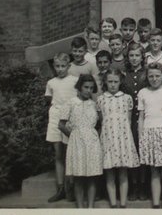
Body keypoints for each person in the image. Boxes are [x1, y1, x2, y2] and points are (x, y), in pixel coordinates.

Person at [96, 68, 140, 208]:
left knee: (123, 173)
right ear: (105, 82)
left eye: (115, 81)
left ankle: (122, 203)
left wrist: (126, 140)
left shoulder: (126, 98)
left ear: (120, 81)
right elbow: (102, 121)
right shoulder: (101, 99)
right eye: (110, 82)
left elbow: (129, 121)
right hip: (108, 139)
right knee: (109, 174)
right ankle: (113, 204)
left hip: (123, 139)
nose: (113, 84)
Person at [58, 74, 103, 208]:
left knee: (91, 176)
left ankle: (90, 207)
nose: (88, 90)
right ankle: (80, 208)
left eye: (91, 88)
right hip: (76, 142)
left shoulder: (95, 105)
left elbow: (100, 124)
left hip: (92, 143)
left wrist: (95, 136)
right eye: (85, 87)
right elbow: (61, 125)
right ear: (79, 87)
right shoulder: (71, 103)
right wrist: (74, 136)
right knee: (78, 177)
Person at [138, 62, 162, 208]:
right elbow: (141, 117)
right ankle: (155, 203)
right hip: (149, 131)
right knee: (154, 170)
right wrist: (141, 137)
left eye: (157, 76)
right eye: (151, 76)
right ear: (147, 77)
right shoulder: (143, 92)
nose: (154, 79)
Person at [45, 53, 79, 203]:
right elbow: (49, 100)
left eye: (63, 66)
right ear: (54, 66)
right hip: (55, 117)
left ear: (68, 66)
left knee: (70, 153)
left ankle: (70, 187)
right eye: (57, 66)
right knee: (58, 153)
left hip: (70, 117)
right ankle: (60, 189)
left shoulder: (75, 81)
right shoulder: (51, 82)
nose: (60, 69)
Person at [120, 43, 149, 201]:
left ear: (142, 57)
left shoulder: (147, 73)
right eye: (131, 55)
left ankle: (144, 184)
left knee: (142, 151)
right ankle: (133, 184)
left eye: (137, 55)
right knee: (131, 151)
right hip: (129, 120)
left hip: (144, 118)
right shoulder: (124, 75)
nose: (134, 58)